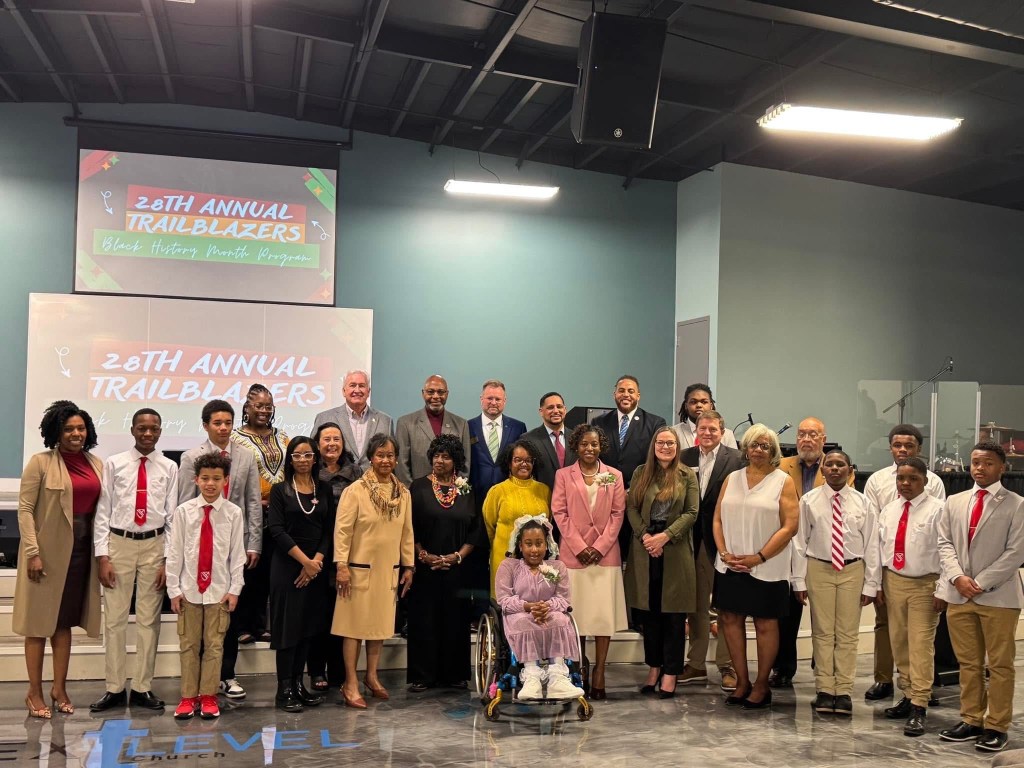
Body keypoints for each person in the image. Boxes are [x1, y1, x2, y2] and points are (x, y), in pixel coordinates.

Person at [15, 401, 104, 719]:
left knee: (64, 624)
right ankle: (34, 692)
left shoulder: (96, 464)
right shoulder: (40, 462)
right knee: (38, 626)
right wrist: (32, 552)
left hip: (81, 554)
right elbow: (24, 510)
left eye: (80, 428)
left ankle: (59, 689)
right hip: (45, 557)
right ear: (56, 432)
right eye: (68, 429)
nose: (76, 434)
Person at [937, 442, 1024, 753]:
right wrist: (958, 578)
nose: (979, 468)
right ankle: (971, 719)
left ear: (1002, 468)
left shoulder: (1016, 504)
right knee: (968, 663)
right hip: (959, 595)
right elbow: (944, 543)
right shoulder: (954, 502)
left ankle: (997, 725)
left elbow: (1016, 553)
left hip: (998, 598)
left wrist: (980, 583)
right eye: (975, 462)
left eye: (987, 463)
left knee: (999, 664)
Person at [90, 408, 178, 713]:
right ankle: (114, 688)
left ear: (160, 431)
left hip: (155, 545)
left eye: (153, 429)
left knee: (148, 620)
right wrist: (103, 555)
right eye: (142, 428)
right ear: (132, 430)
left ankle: (142, 687)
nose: (148, 434)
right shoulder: (115, 464)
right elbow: (103, 511)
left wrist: (168, 560)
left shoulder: (169, 467)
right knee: (114, 619)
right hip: (119, 544)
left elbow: (171, 517)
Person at [177, 399, 262, 701]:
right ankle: (196, 685)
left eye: (228, 422)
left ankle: (227, 676)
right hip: (198, 548)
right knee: (198, 621)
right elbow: (183, 503)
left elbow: (252, 501)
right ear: (206, 425)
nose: (224, 428)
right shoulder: (191, 457)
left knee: (228, 616)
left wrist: (253, 543)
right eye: (217, 423)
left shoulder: (246, 456)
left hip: (232, 543)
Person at [713, 424, 799, 710]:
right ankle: (742, 682)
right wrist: (724, 552)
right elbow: (717, 519)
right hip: (729, 564)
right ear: (745, 448)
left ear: (773, 451)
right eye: (753, 444)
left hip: (767, 566)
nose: (758, 449)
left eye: (765, 445)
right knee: (730, 621)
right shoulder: (732, 478)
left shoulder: (782, 481)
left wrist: (758, 557)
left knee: (765, 624)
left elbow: (790, 527)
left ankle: (762, 684)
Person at [791, 450, 879, 716]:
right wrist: (798, 580)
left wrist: (871, 583)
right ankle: (825, 690)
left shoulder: (863, 503)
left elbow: (873, 543)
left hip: (853, 569)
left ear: (850, 470)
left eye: (841, 464)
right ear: (823, 469)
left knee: (847, 633)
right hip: (819, 568)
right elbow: (799, 542)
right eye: (829, 464)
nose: (835, 468)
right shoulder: (809, 501)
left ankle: (844, 691)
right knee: (823, 631)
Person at [862, 423, 946, 701]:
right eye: (897, 445)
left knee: (920, 640)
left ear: (918, 449)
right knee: (891, 632)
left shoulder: (934, 488)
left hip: (924, 578)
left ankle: (920, 694)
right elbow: (874, 534)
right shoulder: (879, 486)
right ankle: (891, 683)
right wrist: (874, 580)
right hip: (891, 574)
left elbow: (943, 540)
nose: (902, 450)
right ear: (890, 448)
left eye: (908, 446)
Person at [333, 433, 415, 709]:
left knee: (379, 627)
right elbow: (342, 531)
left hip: (388, 570)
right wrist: (341, 565)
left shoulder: (402, 493)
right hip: (357, 571)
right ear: (371, 457)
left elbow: (407, 532)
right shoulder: (355, 490)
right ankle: (350, 682)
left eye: (390, 455)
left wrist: (408, 565)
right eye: (380, 455)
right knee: (353, 628)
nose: (385, 460)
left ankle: (371, 675)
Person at [773, 417, 852, 688]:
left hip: (824, 550)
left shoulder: (836, 466)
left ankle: (824, 667)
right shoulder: (782, 466)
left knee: (826, 616)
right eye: (802, 434)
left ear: (823, 439)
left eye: (813, 434)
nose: (807, 439)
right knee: (787, 615)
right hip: (786, 550)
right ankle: (784, 669)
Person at [166, 452, 245, 721]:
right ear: (196, 480)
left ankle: (209, 695)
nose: (210, 484)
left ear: (226, 481)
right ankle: (188, 697)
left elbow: (237, 554)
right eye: (205, 478)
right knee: (188, 645)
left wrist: (235, 588)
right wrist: (173, 589)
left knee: (214, 645)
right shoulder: (183, 512)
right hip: (189, 590)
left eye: (216, 479)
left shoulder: (233, 514)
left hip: (218, 591)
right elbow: (175, 552)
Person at [551, 424, 627, 700]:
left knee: (603, 617)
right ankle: (579, 667)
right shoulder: (563, 475)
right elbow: (559, 512)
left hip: (606, 556)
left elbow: (618, 514)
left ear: (601, 446)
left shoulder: (614, 476)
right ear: (576, 446)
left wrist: (600, 546)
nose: (589, 448)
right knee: (578, 617)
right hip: (574, 556)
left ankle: (600, 671)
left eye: (594, 444)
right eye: (584, 444)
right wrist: (581, 547)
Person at [624, 426, 698, 699]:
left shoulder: (687, 474)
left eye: (670, 443)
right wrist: (646, 537)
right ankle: (654, 668)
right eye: (660, 442)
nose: (665, 447)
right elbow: (631, 507)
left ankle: (670, 672)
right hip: (645, 549)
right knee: (650, 615)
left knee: (674, 618)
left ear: (677, 447)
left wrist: (664, 537)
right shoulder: (641, 472)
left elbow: (692, 512)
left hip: (674, 548)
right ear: (653, 445)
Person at [876, 457, 945, 737]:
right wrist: (877, 584)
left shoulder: (939, 510)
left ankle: (920, 704)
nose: (905, 483)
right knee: (899, 642)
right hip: (894, 581)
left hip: (925, 584)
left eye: (912, 479)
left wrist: (944, 588)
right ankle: (907, 693)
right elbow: (880, 550)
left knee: (920, 645)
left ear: (925, 481)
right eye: (901, 478)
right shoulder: (890, 510)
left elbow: (947, 551)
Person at [407, 434, 480, 692]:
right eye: (437, 455)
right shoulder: (417, 487)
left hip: (457, 568)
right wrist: (423, 554)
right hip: (425, 566)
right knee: (424, 620)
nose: (440, 460)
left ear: (456, 460)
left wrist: (458, 555)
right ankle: (422, 675)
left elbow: (475, 531)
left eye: (446, 456)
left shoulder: (466, 490)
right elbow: (408, 527)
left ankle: (454, 674)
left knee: (455, 621)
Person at [677, 409, 744, 692]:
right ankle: (696, 665)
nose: (706, 434)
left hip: (728, 540)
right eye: (702, 429)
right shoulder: (685, 458)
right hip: (693, 540)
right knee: (696, 606)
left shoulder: (737, 458)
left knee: (728, 605)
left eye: (712, 430)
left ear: (722, 432)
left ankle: (727, 666)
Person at [267, 437, 335, 712]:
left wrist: (316, 562)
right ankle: (284, 690)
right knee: (288, 630)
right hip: (287, 567)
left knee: (307, 629)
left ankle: (298, 685)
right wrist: (304, 561)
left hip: (315, 569)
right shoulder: (280, 490)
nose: (304, 460)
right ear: (290, 459)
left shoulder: (325, 489)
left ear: (315, 458)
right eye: (298, 455)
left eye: (308, 455)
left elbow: (329, 530)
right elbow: (276, 530)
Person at [495, 515, 584, 700]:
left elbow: (563, 599)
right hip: (518, 614)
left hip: (548, 613)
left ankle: (557, 679)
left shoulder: (557, 566)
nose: (534, 549)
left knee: (561, 619)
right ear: (520, 546)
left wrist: (546, 607)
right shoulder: (509, 566)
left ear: (547, 545)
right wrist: (527, 606)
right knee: (523, 622)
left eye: (539, 543)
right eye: (529, 544)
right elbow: (504, 599)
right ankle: (531, 678)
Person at [232, 384, 290, 645]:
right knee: (247, 570)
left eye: (268, 406)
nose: (264, 411)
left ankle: (260, 624)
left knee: (268, 572)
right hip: (249, 513)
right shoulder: (235, 438)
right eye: (259, 406)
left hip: (280, 516)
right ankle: (241, 626)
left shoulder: (283, 437)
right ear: (247, 408)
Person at [306, 422, 361, 692]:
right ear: (317, 444)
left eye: (336, 439)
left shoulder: (356, 473)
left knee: (343, 614)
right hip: (317, 552)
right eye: (326, 439)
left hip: (348, 552)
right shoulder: (309, 473)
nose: (332, 444)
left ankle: (340, 672)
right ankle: (317, 670)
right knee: (318, 613)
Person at [466, 380, 526, 616]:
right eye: (489, 398)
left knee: (508, 560)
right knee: (478, 559)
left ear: (505, 401)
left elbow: (522, 462)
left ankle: (509, 609)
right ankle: (480, 611)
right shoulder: (467, 426)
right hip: (476, 504)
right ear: (481, 399)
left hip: (507, 505)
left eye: (498, 399)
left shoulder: (518, 427)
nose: (493, 402)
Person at [591, 375, 666, 559]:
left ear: (638, 395)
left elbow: (656, 462)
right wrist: (614, 487)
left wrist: (631, 489)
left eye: (631, 391)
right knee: (608, 550)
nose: (626, 395)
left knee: (635, 556)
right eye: (621, 390)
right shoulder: (598, 423)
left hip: (640, 499)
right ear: (614, 394)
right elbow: (594, 459)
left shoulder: (655, 423)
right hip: (605, 496)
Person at [483, 439, 551, 595]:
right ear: (509, 463)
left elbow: (549, 524)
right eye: (518, 460)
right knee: (508, 604)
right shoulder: (497, 491)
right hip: (505, 558)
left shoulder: (544, 490)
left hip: (537, 559)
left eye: (528, 460)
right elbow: (489, 526)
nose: (524, 464)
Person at [395, 375, 471, 486]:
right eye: (430, 392)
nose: (436, 396)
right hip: (417, 495)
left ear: (447, 394)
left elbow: (465, 463)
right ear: (423, 393)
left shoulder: (461, 424)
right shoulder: (405, 423)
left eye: (441, 392)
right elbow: (401, 464)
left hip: (451, 495)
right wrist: (411, 492)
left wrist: (457, 489)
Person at [311, 370, 393, 472]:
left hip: (374, 484)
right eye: (352, 385)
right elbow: (313, 453)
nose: (357, 390)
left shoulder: (385, 421)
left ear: (368, 391)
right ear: (344, 391)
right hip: (335, 484)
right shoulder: (324, 418)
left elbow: (391, 456)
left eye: (362, 386)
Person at [523, 392, 577, 493]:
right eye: (550, 407)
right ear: (541, 411)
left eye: (559, 407)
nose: (556, 411)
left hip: (573, 500)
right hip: (541, 499)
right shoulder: (528, 439)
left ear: (565, 410)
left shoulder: (577, 438)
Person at [672, 383, 738, 449]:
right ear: (686, 406)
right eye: (693, 402)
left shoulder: (727, 434)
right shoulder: (674, 432)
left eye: (704, 402)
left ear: (711, 406)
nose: (699, 405)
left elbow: (733, 458)